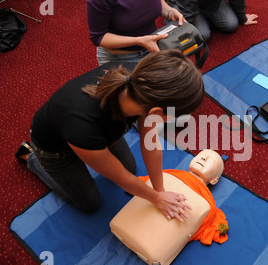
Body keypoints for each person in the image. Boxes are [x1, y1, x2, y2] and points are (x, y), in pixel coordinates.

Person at [15, 50, 205, 219]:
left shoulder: (142, 85)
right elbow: (121, 179)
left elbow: (150, 144)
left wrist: (160, 190)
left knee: (131, 169)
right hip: (56, 148)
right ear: (156, 112)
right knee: (90, 203)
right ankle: (31, 157)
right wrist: (156, 199)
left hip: (96, 135)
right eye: (173, 116)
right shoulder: (83, 125)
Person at [86, 0, 185, 69]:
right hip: (119, 58)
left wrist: (170, 12)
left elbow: (156, 0)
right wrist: (139, 41)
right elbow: (99, 37)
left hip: (153, 47)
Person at [163, 0, 258, 42]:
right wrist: (182, 31)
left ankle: (203, 15)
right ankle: (171, 12)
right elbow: (187, 6)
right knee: (203, 35)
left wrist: (242, 18)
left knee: (231, 24)